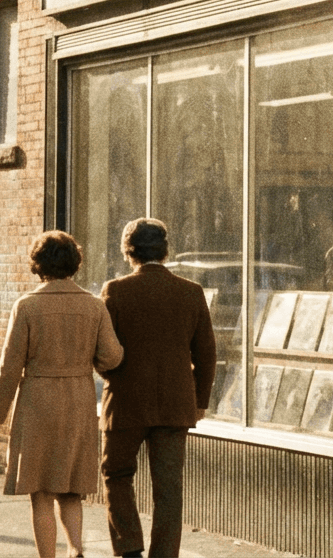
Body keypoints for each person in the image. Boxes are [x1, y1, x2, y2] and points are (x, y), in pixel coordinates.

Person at [0, 231, 124, 558]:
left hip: (37, 404)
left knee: (41, 492)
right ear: (74, 263)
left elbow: (8, 369)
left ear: (38, 264)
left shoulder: (27, 306)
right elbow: (112, 357)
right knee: (71, 489)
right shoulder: (94, 306)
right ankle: (76, 549)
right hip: (78, 401)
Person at [100, 218, 217, 558]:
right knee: (169, 489)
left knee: (116, 474)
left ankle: (129, 547)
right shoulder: (191, 292)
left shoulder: (115, 290)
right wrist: (200, 400)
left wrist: (108, 373)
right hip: (175, 404)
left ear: (128, 252)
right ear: (165, 251)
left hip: (125, 401)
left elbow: (103, 349)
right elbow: (206, 353)